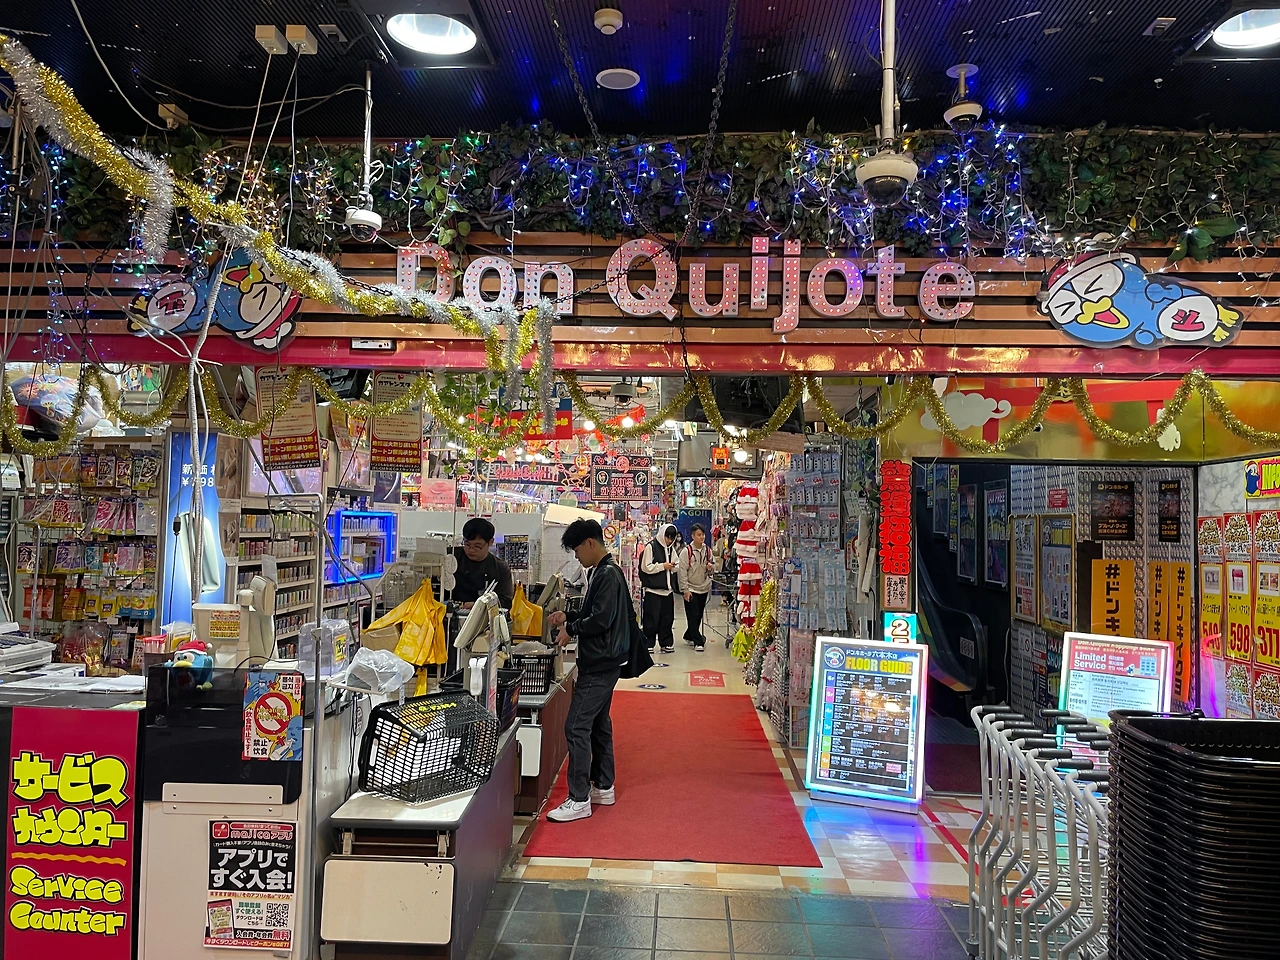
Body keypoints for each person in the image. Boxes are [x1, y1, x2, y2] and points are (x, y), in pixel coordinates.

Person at [545, 519, 630, 823]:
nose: (577, 556)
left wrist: (571, 628)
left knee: (576, 726)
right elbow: (594, 612)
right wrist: (568, 615)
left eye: (577, 550)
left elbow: (600, 620)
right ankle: (603, 786)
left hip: (599, 662)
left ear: (590, 543)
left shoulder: (607, 574)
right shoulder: (605, 571)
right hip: (606, 660)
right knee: (597, 723)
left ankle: (579, 797)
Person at [449, 517, 514, 609]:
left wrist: (479, 606)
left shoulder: (500, 568)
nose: (471, 550)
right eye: (467, 544)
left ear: (490, 542)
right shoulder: (450, 557)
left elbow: (505, 601)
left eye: (477, 546)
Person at [677, 523, 720, 651]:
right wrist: (685, 590)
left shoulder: (708, 551)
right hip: (691, 588)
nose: (702, 537)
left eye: (703, 534)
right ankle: (698, 641)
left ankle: (688, 635)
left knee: (698, 615)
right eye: (699, 535)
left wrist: (711, 568)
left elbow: (714, 567)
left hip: (703, 587)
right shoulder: (686, 552)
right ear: (693, 536)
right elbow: (682, 572)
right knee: (692, 615)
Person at [638, 523, 679, 654]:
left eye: (671, 538)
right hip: (653, 591)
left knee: (667, 619)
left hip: (667, 591)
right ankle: (648, 643)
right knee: (651, 619)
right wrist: (663, 566)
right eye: (667, 537)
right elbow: (646, 567)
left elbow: (677, 564)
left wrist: (673, 566)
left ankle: (666, 643)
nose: (669, 541)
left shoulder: (671, 549)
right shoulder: (651, 547)